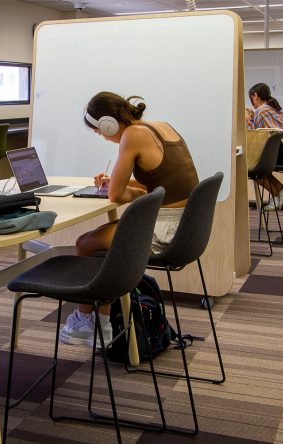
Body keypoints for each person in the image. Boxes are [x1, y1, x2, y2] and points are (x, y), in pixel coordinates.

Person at [58, 91, 199, 346]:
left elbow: (117, 195)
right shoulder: (159, 127)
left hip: (166, 229)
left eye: (99, 131)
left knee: (85, 243)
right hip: (187, 226)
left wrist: (123, 187)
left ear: (107, 123)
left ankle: (88, 322)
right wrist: (123, 184)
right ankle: (99, 324)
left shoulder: (132, 136)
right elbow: (157, 183)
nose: (101, 136)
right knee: (100, 244)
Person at [246, 82, 283, 212]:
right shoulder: (272, 108)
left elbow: (255, 134)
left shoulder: (261, 110)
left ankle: (280, 191)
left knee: (252, 166)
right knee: (258, 166)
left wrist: (248, 118)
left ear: (255, 95)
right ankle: (280, 194)